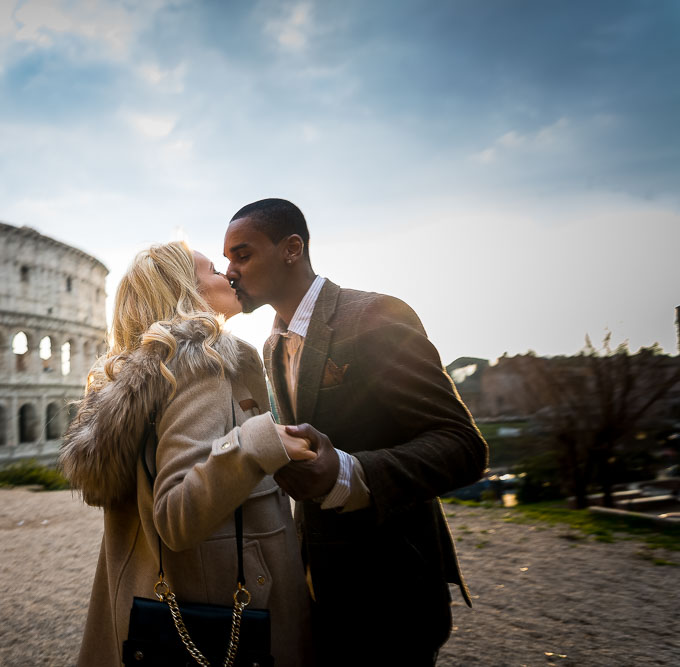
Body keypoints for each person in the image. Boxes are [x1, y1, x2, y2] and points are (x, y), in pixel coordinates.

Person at [223, 199, 489, 665]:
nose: (230, 272)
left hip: (393, 593)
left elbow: (462, 446)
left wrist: (347, 472)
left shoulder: (375, 316)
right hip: (320, 591)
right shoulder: (270, 344)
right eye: (226, 259)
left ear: (291, 249)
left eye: (242, 255)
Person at [59, 241, 314, 667]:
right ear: (185, 290)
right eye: (215, 269)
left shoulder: (148, 375)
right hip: (223, 609)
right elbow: (175, 515)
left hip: (155, 601)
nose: (229, 273)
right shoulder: (201, 366)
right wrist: (256, 443)